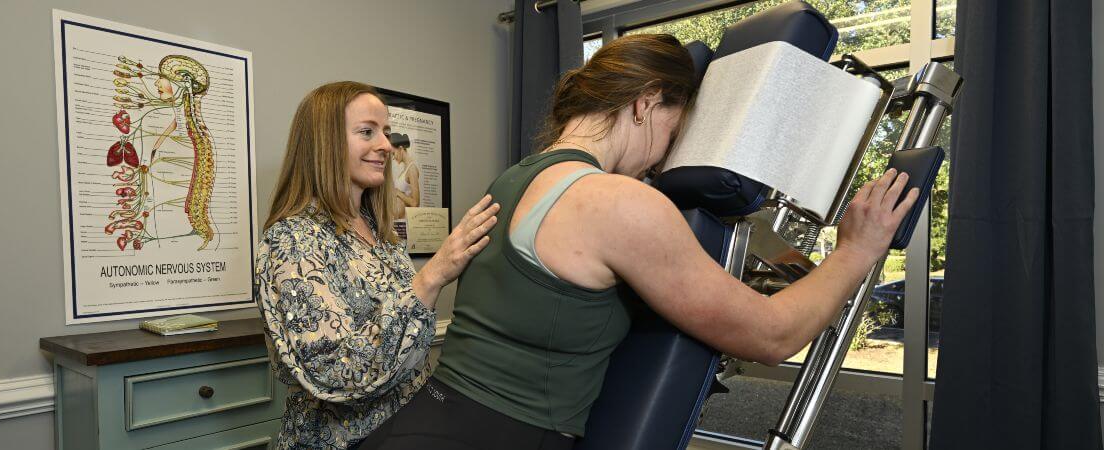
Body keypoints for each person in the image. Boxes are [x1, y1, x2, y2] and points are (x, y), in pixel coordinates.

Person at [359, 34, 919, 450]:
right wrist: (855, 250)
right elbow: (772, 335)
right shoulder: (618, 203)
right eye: (674, 133)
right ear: (645, 103)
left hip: (425, 422)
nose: (664, 159)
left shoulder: (516, 177)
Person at [256, 81, 500, 450]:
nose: (386, 144)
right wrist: (434, 274)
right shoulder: (291, 240)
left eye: (385, 131)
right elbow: (336, 371)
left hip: (407, 430)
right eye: (367, 131)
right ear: (324, 142)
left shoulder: (382, 235)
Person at [388, 133, 420, 221]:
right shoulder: (405, 170)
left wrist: (398, 193)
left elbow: (415, 203)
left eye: (393, 153)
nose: (393, 158)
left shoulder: (412, 169)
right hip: (398, 221)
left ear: (401, 149)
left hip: (405, 222)